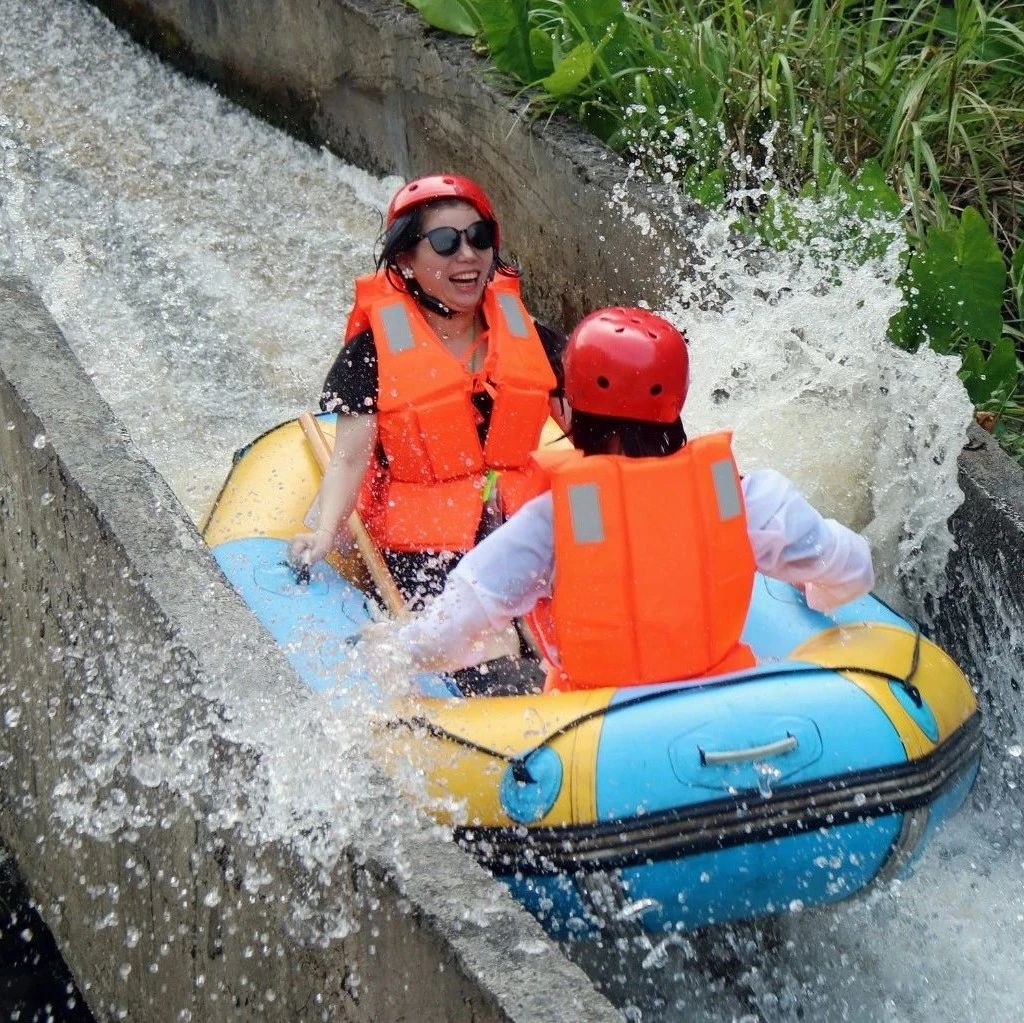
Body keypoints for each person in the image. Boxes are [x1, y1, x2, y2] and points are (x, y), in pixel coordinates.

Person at [376, 306, 875, 692]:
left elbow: (447, 633)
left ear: (573, 410)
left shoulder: (552, 522)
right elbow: (853, 568)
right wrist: (817, 595)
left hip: (595, 736)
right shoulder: (748, 497)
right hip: (726, 704)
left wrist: (392, 650)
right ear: (676, 403)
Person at [289, 174, 568, 609]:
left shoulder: (532, 339)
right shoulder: (371, 355)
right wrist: (326, 533)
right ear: (405, 261)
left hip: (521, 529)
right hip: (427, 544)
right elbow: (349, 459)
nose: (468, 254)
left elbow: (595, 438)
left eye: (479, 238)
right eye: (445, 242)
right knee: (493, 661)